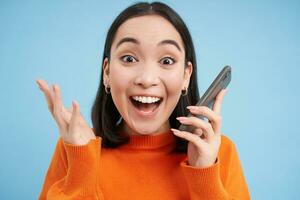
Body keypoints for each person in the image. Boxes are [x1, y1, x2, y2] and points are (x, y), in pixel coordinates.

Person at [37, 1, 250, 200]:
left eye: (166, 60)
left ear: (186, 76)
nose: (147, 79)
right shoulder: (75, 150)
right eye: (129, 58)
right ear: (107, 72)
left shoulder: (220, 153)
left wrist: (204, 175)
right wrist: (82, 166)